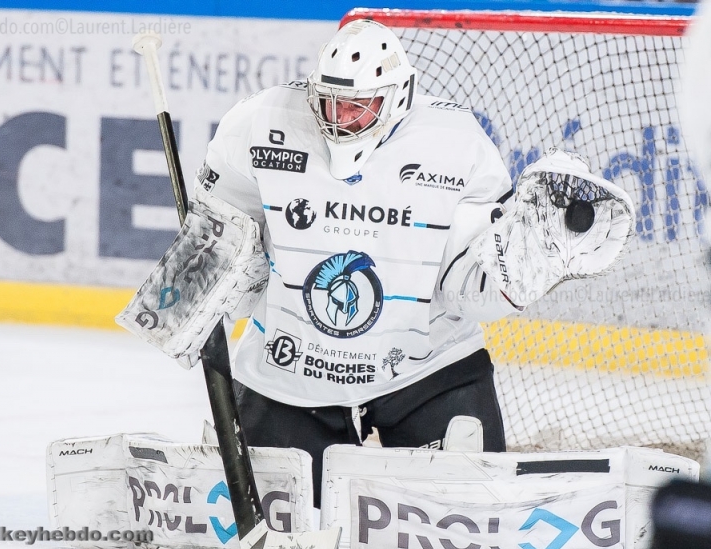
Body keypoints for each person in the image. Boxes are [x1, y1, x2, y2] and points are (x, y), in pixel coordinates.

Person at [121, 19, 634, 508]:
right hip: (287, 372)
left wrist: (522, 263)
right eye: (329, 102)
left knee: (469, 514)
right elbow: (220, 229)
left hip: (425, 370)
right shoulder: (258, 122)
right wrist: (189, 290)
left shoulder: (455, 144)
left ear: (398, 98)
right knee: (270, 516)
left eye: (357, 107)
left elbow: (467, 283)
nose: (339, 118)